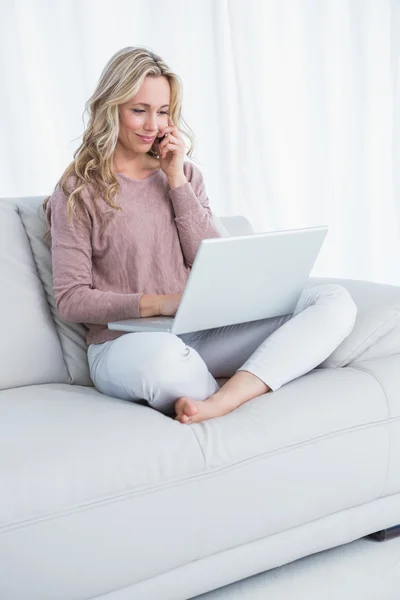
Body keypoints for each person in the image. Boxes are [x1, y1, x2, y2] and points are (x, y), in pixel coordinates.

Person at [42, 46, 358, 426]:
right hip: (126, 345)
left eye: (163, 112)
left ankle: (223, 399)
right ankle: (242, 380)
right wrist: (161, 303)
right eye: (139, 110)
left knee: (333, 300)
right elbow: (72, 300)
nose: (153, 126)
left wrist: (175, 179)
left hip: (204, 332)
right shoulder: (77, 191)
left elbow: (209, 257)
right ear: (112, 108)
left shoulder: (186, 176)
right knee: (161, 361)